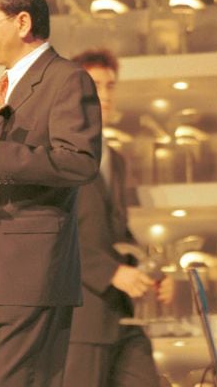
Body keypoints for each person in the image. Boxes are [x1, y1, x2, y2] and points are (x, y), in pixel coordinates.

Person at [0, 0, 102, 387]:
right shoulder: (5, 85)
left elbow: (80, 162)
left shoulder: (67, 79)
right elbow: (4, 173)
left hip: (31, 274)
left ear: (23, 22)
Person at [63, 48, 174, 387]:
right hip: (78, 316)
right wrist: (109, 271)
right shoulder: (57, 152)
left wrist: (149, 274)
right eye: (96, 84)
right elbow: (51, 233)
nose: (106, 94)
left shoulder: (115, 159)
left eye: (111, 85)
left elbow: (115, 232)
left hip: (121, 315)